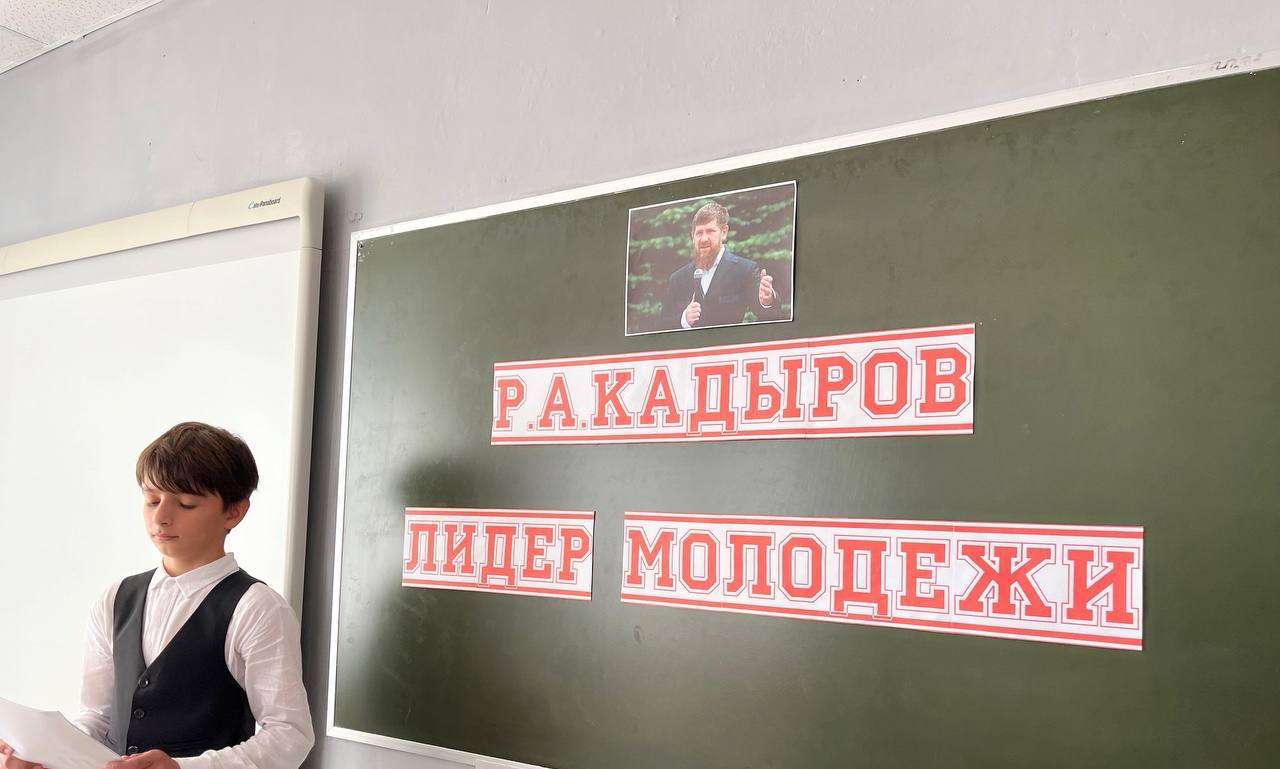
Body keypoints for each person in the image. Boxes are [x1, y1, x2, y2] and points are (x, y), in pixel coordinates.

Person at [0, 422, 314, 769]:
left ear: (234, 511)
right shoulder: (115, 599)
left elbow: (289, 735)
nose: (161, 517)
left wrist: (183, 767)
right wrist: (44, 758)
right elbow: (98, 717)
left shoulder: (257, 607)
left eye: (186, 504)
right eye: (152, 500)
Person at [661, 201, 786, 331]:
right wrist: (684, 319)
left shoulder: (744, 269)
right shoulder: (678, 278)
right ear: (693, 236)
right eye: (699, 233)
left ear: (724, 232)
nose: (703, 239)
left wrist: (767, 301)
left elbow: (769, 316)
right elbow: (661, 327)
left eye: (710, 231)